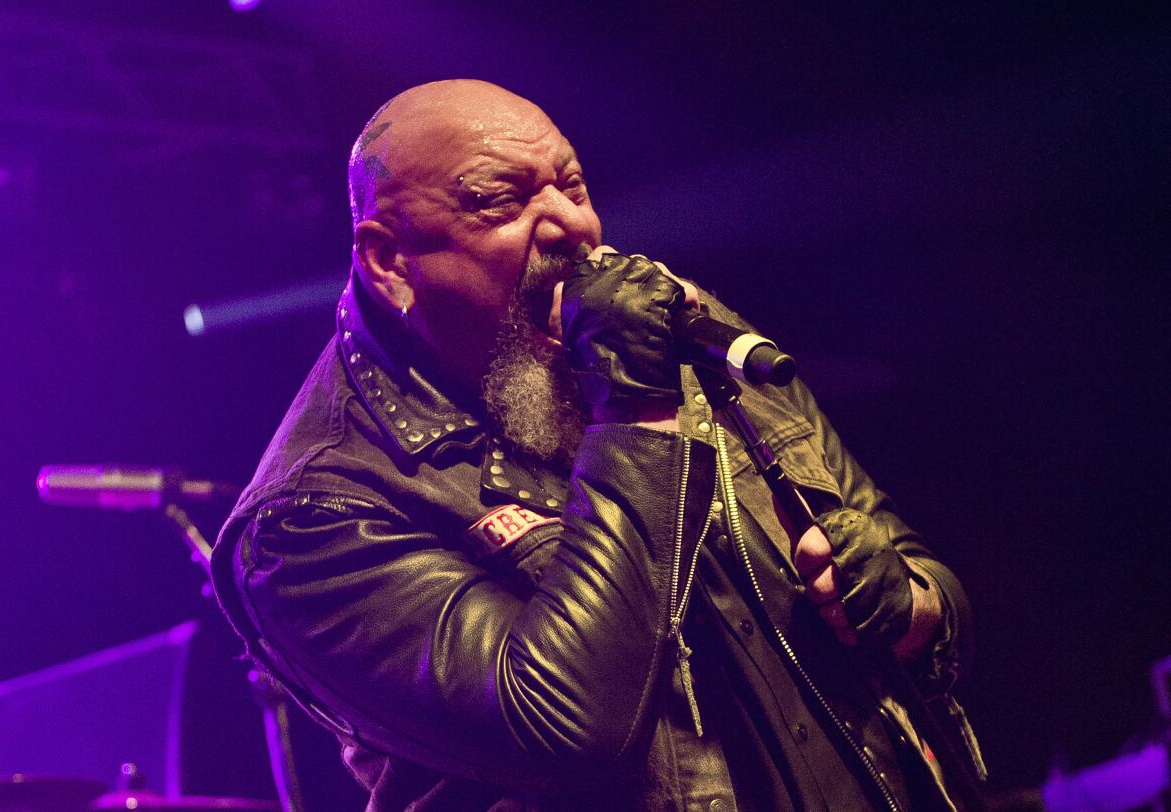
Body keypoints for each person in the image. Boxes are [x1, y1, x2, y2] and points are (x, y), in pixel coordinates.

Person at [211, 79, 987, 811]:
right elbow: (565, 729)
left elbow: (925, 580)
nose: (574, 227)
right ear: (389, 262)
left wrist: (907, 606)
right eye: (500, 201)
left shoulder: (671, 339)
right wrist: (638, 417)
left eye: (572, 186)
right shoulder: (313, 515)